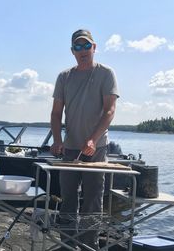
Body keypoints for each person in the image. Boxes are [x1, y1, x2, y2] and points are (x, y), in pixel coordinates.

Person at [50, 29, 119, 250]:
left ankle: (90, 246)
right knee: (68, 200)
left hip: (96, 149)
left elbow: (109, 111)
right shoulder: (64, 77)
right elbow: (55, 113)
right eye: (78, 47)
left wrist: (92, 139)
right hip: (69, 150)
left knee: (92, 201)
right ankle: (68, 245)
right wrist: (57, 140)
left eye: (86, 46)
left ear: (94, 47)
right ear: (72, 51)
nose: (83, 51)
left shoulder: (106, 73)